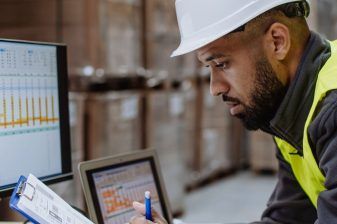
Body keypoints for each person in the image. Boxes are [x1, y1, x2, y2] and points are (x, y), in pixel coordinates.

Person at [130, 0, 337, 223]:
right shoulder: (292, 108)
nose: (214, 88)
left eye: (221, 63)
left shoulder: (331, 110)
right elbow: (288, 218)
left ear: (277, 42)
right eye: (208, 68)